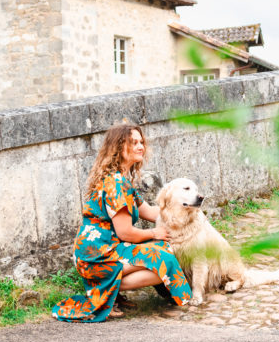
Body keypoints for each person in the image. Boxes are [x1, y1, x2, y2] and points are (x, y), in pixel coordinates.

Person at [52, 123, 192, 322]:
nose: (140, 146)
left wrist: (183, 211)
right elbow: (126, 232)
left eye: (141, 142)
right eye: (133, 143)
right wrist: (154, 234)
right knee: (165, 259)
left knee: (163, 249)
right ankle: (108, 294)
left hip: (102, 249)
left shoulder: (121, 179)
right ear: (118, 148)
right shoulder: (116, 184)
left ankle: (110, 293)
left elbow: (150, 212)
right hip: (97, 256)